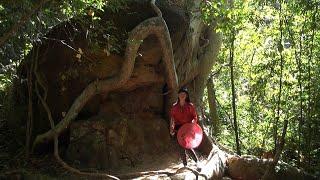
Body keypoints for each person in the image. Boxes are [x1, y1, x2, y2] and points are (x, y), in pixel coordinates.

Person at [170, 87, 199, 167]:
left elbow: (194, 117)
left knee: (187, 145)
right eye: (181, 94)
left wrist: (192, 125)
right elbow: (172, 119)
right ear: (178, 95)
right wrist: (171, 128)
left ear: (186, 96)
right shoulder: (174, 106)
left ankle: (197, 161)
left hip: (187, 128)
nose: (182, 95)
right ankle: (185, 165)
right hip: (178, 128)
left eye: (184, 94)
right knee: (180, 147)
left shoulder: (190, 106)